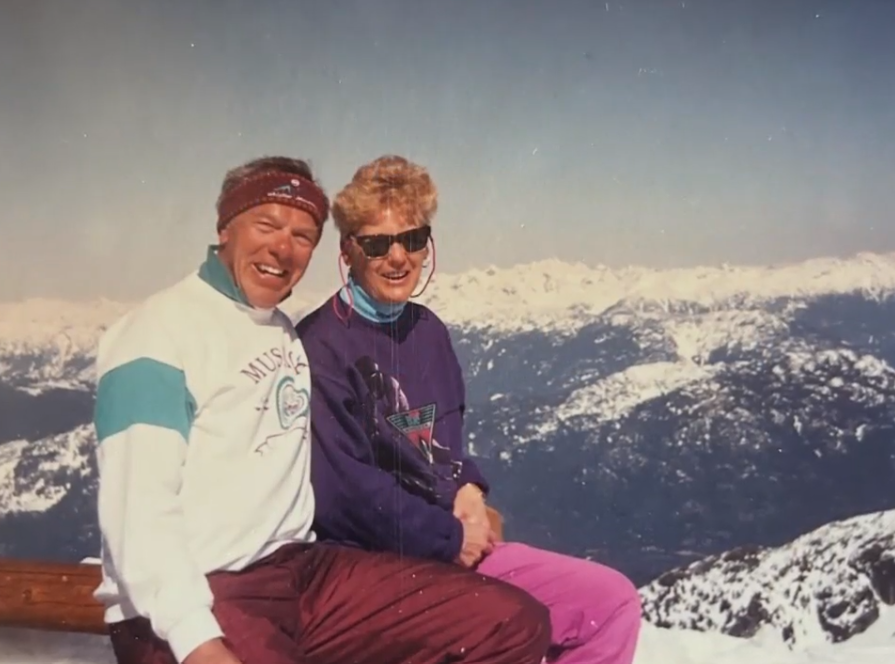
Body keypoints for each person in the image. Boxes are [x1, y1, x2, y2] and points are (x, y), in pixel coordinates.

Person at [90, 155, 552, 664]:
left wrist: (463, 492)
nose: (283, 248)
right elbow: (137, 515)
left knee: (509, 625)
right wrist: (196, 641)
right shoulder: (156, 334)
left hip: (304, 575)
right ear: (226, 227)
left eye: (303, 235)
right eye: (267, 224)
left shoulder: (278, 330)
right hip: (209, 596)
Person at [295, 155, 644, 664]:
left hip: (450, 543)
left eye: (412, 239)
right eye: (378, 243)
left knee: (609, 603)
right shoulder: (323, 344)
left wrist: (469, 489)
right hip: (374, 565)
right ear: (348, 251)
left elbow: (443, 450)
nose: (399, 257)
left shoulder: (428, 332)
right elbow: (343, 494)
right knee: (508, 621)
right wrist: (449, 537)